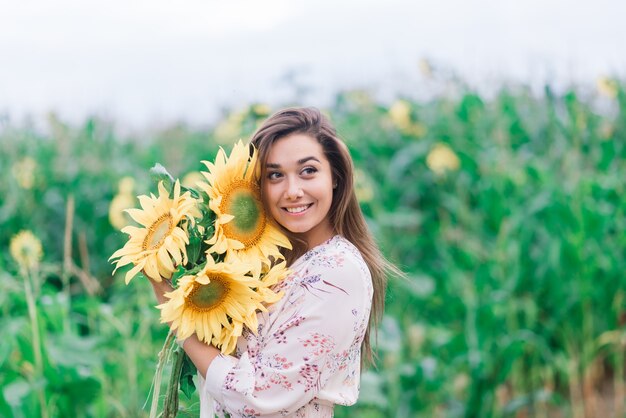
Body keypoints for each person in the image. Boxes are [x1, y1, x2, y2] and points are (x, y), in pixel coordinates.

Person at [150, 107, 396, 417]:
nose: (293, 191)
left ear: (335, 176)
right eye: (275, 175)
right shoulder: (272, 264)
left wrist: (176, 311)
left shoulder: (337, 271)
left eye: (308, 171)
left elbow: (258, 399)